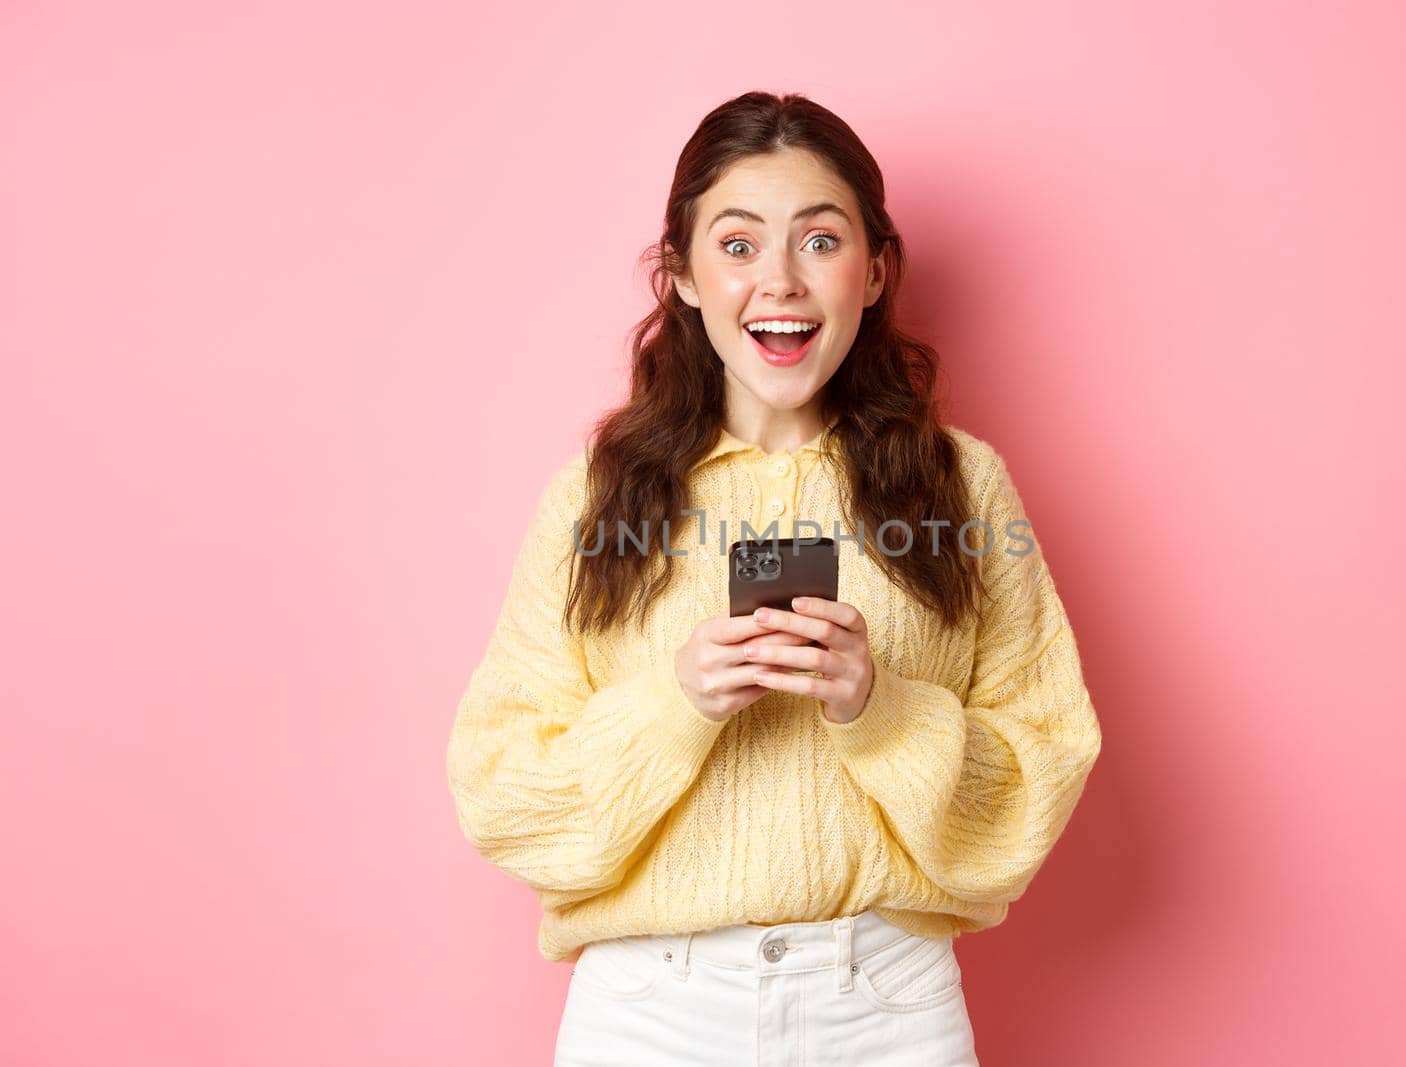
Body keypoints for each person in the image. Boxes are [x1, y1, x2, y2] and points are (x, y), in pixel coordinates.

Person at [444, 89, 1104, 1067]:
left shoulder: (962, 486)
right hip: (648, 1010)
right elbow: (500, 790)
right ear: (682, 272)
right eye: (739, 243)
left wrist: (881, 708)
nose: (781, 282)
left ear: (875, 271)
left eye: (821, 241)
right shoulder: (593, 498)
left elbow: (1042, 766)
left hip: (886, 1005)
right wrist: (676, 702)